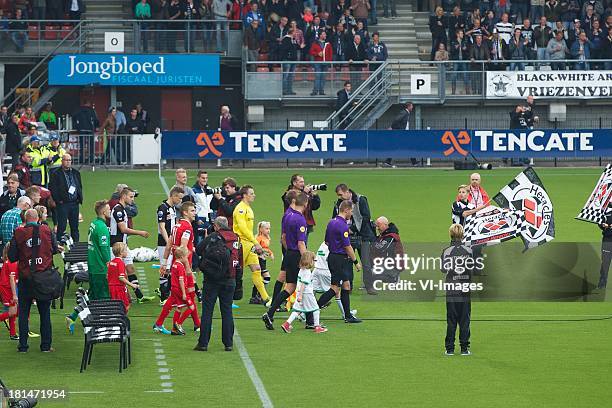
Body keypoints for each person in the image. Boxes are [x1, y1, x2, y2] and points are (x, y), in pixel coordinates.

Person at [9, 209, 59, 352]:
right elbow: (55, 249)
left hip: (26, 277)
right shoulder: (46, 230)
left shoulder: (19, 232)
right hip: (43, 278)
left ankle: (23, 346)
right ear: (38, 218)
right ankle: (45, 346)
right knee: (45, 313)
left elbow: (12, 256)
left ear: (25, 219)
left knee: (24, 313)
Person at [262, 192, 308, 329]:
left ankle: (270, 314)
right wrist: (306, 259)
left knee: (292, 286)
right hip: (296, 255)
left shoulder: (288, 216)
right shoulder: (300, 220)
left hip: (289, 253)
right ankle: (310, 320)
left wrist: (289, 251)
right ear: (305, 204)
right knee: (301, 285)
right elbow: (301, 243)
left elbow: (283, 237)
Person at [194, 216, 240, 351]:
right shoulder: (236, 238)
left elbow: (198, 249)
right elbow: (239, 260)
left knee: (207, 311)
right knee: (227, 311)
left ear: (216, 226)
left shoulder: (213, 237)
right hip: (230, 279)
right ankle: (228, 343)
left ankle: (203, 343)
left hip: (212, 278)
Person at [317, 200, 362, 323]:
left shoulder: (331, 222)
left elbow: (326, 242)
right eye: (351, 211)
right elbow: (348, 247)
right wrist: (356, 261)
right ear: (346, 210)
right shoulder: (343, 226)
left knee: (345, 285)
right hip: (339, 259)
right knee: (335, 289)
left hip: (333, 257)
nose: (352, 213)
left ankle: (348, 316)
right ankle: (311, 310)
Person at [158, 201, 198, 334]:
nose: (195, 213)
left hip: (175, 265)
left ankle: (160, 323)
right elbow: (183, 247)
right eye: (192, 211)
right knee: (189, 297)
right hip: (183, 266)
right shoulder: (187, 227)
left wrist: (164, 263)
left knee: (174, 299)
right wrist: (188, 269)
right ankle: (184, 325)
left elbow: (169, 245)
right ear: (185, 212)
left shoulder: (176, 226)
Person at [109, 187, 153, 303]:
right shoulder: (118, 210)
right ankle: (116, 296)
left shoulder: (123, 209)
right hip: (115, 246)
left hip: (123, 245)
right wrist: (140, 233)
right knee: (116, 273)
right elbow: (123, 229)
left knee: (130, 268)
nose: (133, 200)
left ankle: (139, 296)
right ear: (123, 196)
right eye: (131, 197)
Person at [334, 183, 377, 294]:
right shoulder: (340, 203)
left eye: (341, 194)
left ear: (347, 192)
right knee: (348, 262)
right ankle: (349, 287)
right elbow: (335, 218)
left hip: (363, 235)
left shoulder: (361, 199)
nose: (340, 197)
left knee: (366, 262)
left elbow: (366, 217)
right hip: (348, 236)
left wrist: (353, 228)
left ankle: (369, 287)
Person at [234, 185, 272, 306]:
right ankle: (226, 299)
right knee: (234, 272)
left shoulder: (248, 208)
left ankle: (266, 299)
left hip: (249, 243)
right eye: (251, 193)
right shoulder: (240, 208)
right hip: (241, 244)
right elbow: (242, 228)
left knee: (257, 269)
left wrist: (253, 242)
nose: (254, 195)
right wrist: (255, 242)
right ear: (245, 195)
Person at [441, 224, 473, 356]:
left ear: (451, 235)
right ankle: (464, 349)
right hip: (465, 288)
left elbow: (443, 269)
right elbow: (472, 268)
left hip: (452, 289)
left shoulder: (446, 251)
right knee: (465, 319)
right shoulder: (469, 250)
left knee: (451, 319)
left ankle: (450, 349)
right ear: (462, 235)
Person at [280, 251, 327, 333]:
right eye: (314, 260)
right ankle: (317, 326)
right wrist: (301, 295)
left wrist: (299, 295)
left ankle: (287, 324)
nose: (315, 262)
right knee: (316, 309)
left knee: (297, 310)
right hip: (307, 294)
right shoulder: (307, 272)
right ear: (310, 261)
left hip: (299, 293)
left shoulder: (301, 270)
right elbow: (303, 285)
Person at [156, 186, 184, 304]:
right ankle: (163, 296)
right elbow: (162, 227)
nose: (180, 201)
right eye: (180, 198)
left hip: (171, 242)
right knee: (165, 268)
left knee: (170, 268)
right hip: (164, 243)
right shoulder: (162, 208)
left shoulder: (172, 208)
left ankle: (167, 293)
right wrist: (168, 241)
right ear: (173, 196)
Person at [153, 246, 190, 335]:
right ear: (182, 257)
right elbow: (181, 280)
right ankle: (176, 326)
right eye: (186, 256)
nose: (187, 258)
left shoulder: (174, 264)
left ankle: (159, 324)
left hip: (173, 289)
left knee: (169, 305)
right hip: (179, 290)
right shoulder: (180, 266)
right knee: (187, 306)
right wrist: (184, 292)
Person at [48, 154, 82, 242]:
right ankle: (59, 244)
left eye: (69, 160)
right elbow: (53, 188)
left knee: (75, 226)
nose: (68, 162)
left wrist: (79, 198)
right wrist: (58, 200)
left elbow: (79, 186)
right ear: (62, 161)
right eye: (66, 160)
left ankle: (76, 243)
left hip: (74, 203)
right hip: (63, 204)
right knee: (62, 226)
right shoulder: (56, 173)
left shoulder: (76, 173)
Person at [372, 216, 404, 284]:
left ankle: (394, 278)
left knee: (371, 273)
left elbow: (381, 248)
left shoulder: (391, 236)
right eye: (376, 226)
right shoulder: (384, 235)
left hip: (393, 265)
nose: (377, 228)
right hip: (387, 263)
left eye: (379, 226)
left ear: (385, 225)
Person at [108, 242, 139, 313]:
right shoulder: (121, 263)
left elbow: (108, 276)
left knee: (116, 306)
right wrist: (132, 285)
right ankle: (121, 320)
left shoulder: (111, 262)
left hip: (111, 287)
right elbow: (121, 277)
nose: (127, 252)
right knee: (125, 306)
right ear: (121, 253)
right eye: (125, 250)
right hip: (119, 288)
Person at [251, 221, 274, 304]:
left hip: (263, 260)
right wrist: (263, 252)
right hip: (258, 260)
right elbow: (255, 249)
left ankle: (255, 296)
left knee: (260, 278)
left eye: (269, 229)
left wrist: (270, 253)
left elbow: (266, 248)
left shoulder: (267, 238)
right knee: (266, 277)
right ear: (261, 229)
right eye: (266, 228)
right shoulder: (258, 238)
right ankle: (257, 295)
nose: (268, 230)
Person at [0, 242, 19, 340]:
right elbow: (12, 279)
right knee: (12, 312)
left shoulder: (8, 261)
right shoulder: (12, 262)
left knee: (13, 312)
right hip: (8, 289)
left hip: (7, 287)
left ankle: (13, 334)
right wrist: (15, 294)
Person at [192, 170, 215, 243]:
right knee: (199, 242)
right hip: (200, 220)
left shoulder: (209, 189)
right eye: (203, 178)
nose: (205, 180)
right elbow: (192, 207)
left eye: (206, 178)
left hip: (210, 220)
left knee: (209, 243)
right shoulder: (193, 190)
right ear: (198, 178)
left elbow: (212, 204)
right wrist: (197, 219)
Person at [309, 30, 333, 96]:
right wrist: (317, 54)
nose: (325, 35)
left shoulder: (328, 43)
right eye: (324, 34)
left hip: (325, 63)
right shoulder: (315, 43)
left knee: (323, 77)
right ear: (320, 35)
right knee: (318, 76)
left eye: (325, 34)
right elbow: (311, 52)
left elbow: (330, 53)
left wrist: (329, 62)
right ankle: (315, 91)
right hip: (318, 63)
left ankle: (321, 91)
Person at [597, 203, 612, 289]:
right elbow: (599, 222)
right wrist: (603, 225)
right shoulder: (604, 211)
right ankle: (602, 281)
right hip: (607, 240)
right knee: (605, 261)